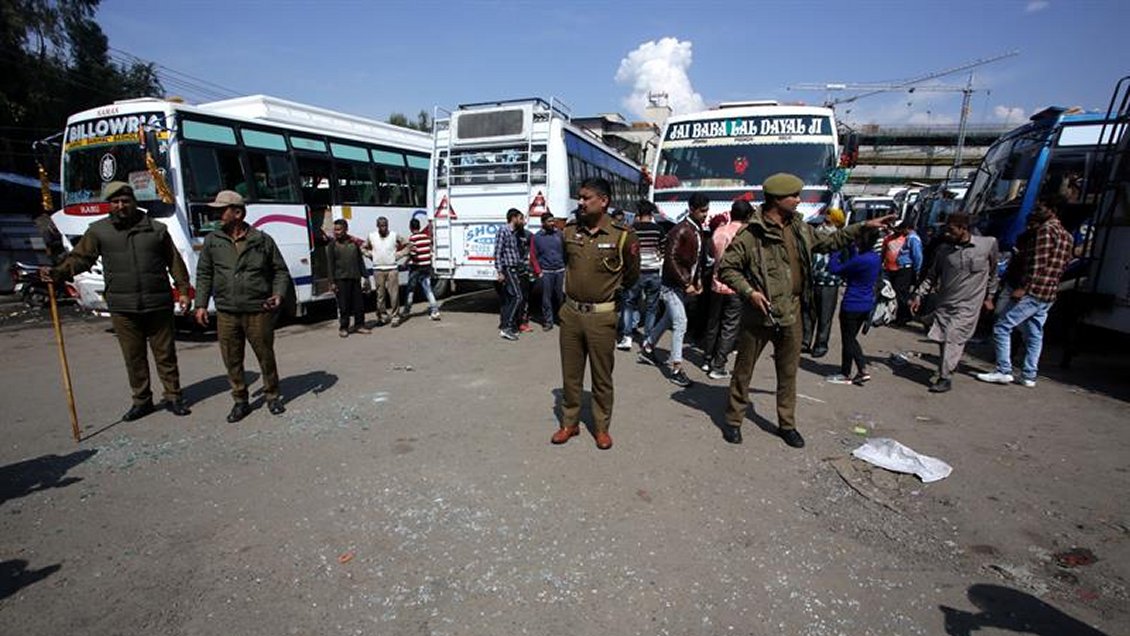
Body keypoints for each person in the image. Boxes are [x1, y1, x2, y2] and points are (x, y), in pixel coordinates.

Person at [717, 173, 895, 447]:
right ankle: (733, 420)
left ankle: (786, 424)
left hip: (792, 311)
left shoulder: (798, 227)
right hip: (759, 314)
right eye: (794, 196)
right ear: (777, 200)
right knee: (744, 370)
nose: (799, 201)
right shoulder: (751, 234)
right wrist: (749, 292)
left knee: (788, 372)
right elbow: (727, 269)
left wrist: (864, 226)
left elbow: (828, 242)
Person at [40, 181, 191, 420]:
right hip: (123, 306)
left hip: (157, 302)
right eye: (115, 202)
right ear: (109, 205)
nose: (120, 206)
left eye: (125, 201)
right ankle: (142, 401)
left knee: (165, 354)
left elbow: (174, 262)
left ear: (134, 202)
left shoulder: (156, 229)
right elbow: (80, 259)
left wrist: (183, 290)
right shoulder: (99, 231)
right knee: (133, 356)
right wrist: (58, 272)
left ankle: (173, 396)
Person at [552, 177, 639, 450]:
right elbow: (567, 264)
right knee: (571, 374)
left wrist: (611, 295)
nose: (581, 202)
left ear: (604, 201)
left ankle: (601, 427)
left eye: (587, 197)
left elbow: (632, 275)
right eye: (580, 197)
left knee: (602, 377)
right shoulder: (569, 231)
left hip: (602, 317)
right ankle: (569, 422)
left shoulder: (622, 235)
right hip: (571, 313)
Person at [193, 190, 292, 422]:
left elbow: (280, 271)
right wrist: (200, 304)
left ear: (237, 212)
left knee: (265, 355)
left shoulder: (262, 240)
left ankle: (272, 395)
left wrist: (278, 294)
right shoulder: (212, 241)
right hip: (227, 312)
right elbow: (204, 273)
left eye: (221, 210)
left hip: (258, 310)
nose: (216, 214)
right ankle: (240, 400)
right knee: (232, 358)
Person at [976, 195, 1073, 388]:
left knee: (1003, 326)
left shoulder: (1046, 231)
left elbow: (1038, 262)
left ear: (1052, 210)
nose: (1035, 212)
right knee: (1034, 333)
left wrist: (1024, 287)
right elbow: (1062, 265)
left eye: (1040, 208)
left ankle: (1004, 370)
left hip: (1033, 291)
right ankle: (1029, 374)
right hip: (1049, 292)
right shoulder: (1066, 236)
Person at [910, 213, 999, 393]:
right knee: (942, 338)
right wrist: (918, 296)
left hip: (969, 304)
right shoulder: (944, 251)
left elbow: (994, 273)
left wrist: (990, 297)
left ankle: (945, 377)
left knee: (953, 336)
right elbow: (931, 276)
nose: (948, 234)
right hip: (946, 303)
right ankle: (948, 366)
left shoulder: (987, 244)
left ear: (963, 228)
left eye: (951, 230)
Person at [638, 192, 709, 388]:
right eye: (702, 211)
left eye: (706, 211)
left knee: (668, 319)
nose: (705, 214)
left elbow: (697, 260)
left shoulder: (696, 229)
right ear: (692, 209)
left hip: (682, 285)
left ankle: (648, 347)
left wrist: (698, 280)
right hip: (672, 285)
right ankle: (677, 368)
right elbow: (670, 260)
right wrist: (687, 283)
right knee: (680, 322)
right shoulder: (681, 230)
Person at [701, 200, 754, 379]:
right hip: (735, 286)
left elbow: (710, 255)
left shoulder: (719, 231)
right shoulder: (745, 234)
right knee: (729, 327)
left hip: (716, 283)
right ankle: (719, 365)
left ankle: (707, 359)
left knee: (713, 323)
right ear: (748, 216)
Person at [825, 229, 882, 386]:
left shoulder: (861, 260)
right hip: (865, 303)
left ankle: (860, 369)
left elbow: (834, 269)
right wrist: (850, 249)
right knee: (850, 338)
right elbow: (855, 263)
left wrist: (835, 253)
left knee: (849, 340)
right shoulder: (874, 258)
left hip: (852, 304)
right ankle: (846, 370)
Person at [617, 200, 664, 350]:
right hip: (654, 272)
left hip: (635, 272)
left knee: (629, 304)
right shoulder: (658, 230)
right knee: (651, 307)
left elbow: (625, 251)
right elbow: (663, 250)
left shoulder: (631, 230)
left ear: (638, 213)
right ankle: (647, 339)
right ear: (651, 214)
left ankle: (627, 337)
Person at [801, 214, 842, 358]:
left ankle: (821, 344)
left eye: (828, 221)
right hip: (812, 281)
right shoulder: (815, 236)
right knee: (807, 313)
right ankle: (805, 342)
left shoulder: (839, 239)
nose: (824, 224)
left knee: (825, 316)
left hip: (830, 283)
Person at [327, 219, 370, 337]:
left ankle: (360, 325)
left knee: (358, 305)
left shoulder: (353, 244)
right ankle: (344, 327)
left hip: (355, 278)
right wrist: (332, 282)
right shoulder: (332, 245)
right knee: (344, 306)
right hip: (341, 279)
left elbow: (360, 261)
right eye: (335, 230)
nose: (336, 232)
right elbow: (330, 265)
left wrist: (365, 277)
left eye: (339, 229)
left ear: (346, 229)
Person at [365, 216, 408, 327]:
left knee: (394, 295)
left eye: (385, 225)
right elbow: (363, 248)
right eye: (381, 225)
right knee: (380, 295)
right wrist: (370, 255)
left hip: (392, 269)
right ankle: (382, 316)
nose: (384, 228)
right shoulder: (371, 236)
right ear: (377, 226)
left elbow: (408, 245)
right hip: (378, 269)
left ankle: (395, 317)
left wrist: (399, 255)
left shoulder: (394, 235)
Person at [881, 220, 924, 325]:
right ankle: (901, 316)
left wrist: (918, 271)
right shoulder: (909, 238)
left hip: (906, 268)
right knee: (899, 292)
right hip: (901, 268)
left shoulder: (913, 239)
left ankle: (905, 316)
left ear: (907, 228)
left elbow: (917, 256)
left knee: (901, 293)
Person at [530, 212, 565, 330]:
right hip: (546, 272)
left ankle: (562, 319)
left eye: (553, 220)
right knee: (546, 298)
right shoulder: (537, 237)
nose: (552, 223)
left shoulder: (560, 234)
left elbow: (566, 251)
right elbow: (533, 256)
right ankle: (548, 321)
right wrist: (538, 271)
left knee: (560, 297)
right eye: (549, 221)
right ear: (543, 223)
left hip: (560, 270)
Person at [494, 208, 526, 341]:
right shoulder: (504, 230)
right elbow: (497, 252)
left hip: (515, 268)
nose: (522, 221)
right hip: (507, 269)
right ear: (513, 218)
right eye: (520, 218)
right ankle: (506, 328)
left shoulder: (516, 233)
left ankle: (507, 325)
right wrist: (500, 271)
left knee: (510, 298)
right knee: (518, 297)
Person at [401, 217, 441, 321]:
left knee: (410, 289)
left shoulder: (412, 238)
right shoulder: (426, 237)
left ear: (410, 227)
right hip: (426, 266)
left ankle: (406, 311)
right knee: (428, 289)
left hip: (416, 267)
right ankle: (435, 311)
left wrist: (405, 263)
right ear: (419, 226)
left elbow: (413, 254)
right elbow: (430, 250)